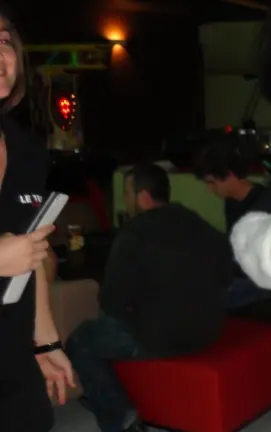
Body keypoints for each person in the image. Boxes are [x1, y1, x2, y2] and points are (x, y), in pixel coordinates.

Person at [65, 163, 233, 432]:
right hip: (208, 329)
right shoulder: (194, 220)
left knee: (80, 339)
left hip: (162, 338)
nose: (125, 200)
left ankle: (120, 418)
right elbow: (226, 271)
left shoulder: (134, 232)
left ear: (143, 196)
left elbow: (112, 302)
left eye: (127, 193)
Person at [0, 7, 76, 431]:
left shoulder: (25, 149)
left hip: (12, 353)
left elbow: (32, 255)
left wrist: (45, 341)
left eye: (3, 40)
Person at [193, 141, 271, 309]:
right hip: (241, 271)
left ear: (229, 175)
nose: (209, 190)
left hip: (263, 278)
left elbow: (262, 262)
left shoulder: (265, 203)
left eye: (211, 182)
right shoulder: (231, 202)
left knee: (206, 295)